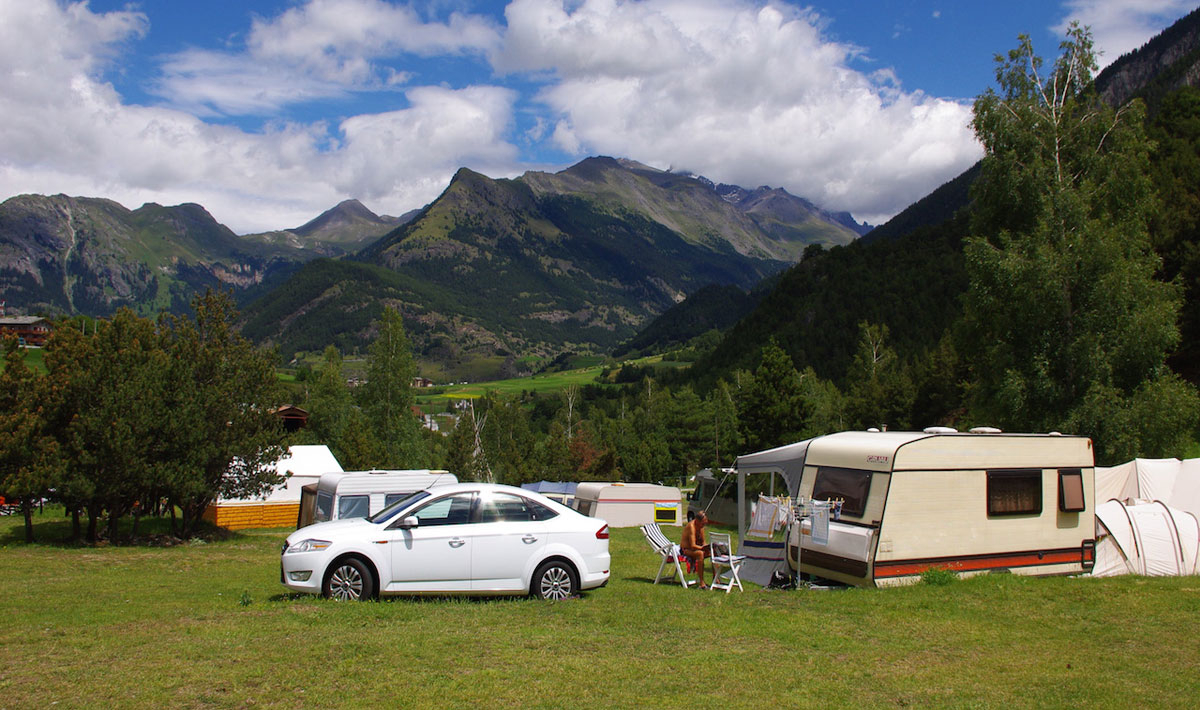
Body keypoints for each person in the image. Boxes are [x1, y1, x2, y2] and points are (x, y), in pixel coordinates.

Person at [680, 511, 712, 589]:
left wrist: (707, 548)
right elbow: (692, 545)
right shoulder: (691, 527)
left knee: (713, 553)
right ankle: (701, 583)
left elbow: (703, 542)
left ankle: (716, 579)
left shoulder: (700, 527)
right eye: (703, 523)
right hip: (686, 550)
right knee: (700, 554)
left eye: (705, 523)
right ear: (697, 521)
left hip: (696, 548)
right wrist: (702, 548)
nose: (704, 525)